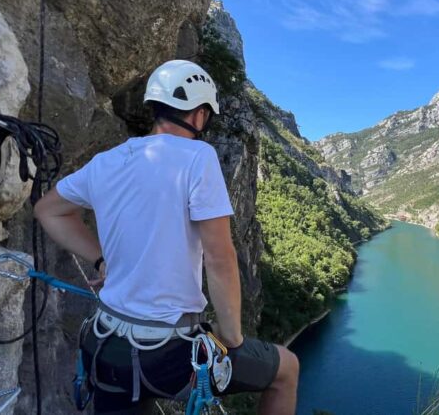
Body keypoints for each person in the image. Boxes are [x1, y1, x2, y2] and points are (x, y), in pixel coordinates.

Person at [34, 60, 299, 415]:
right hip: (167, 354)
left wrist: (101, 260)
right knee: (286, 369)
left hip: (105, 346)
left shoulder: (106, 161)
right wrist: (231, 337)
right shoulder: (198, 157)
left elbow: (48, 210)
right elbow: (219, 257)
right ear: (200, 114)